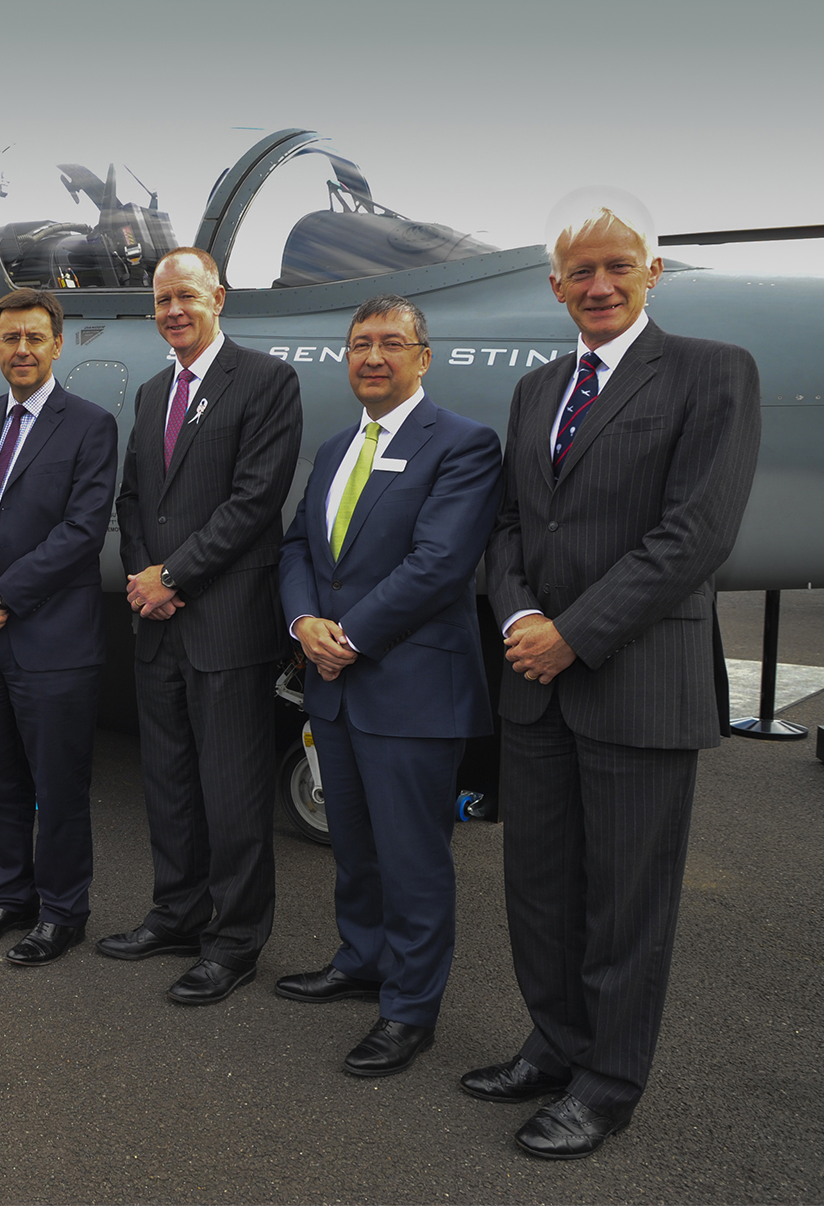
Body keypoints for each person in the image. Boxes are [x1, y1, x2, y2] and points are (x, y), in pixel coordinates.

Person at [468, 193, 761, 1159]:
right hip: (535, 679)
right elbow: (514, 524)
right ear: (556, 288)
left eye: (617, 269)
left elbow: (695, 535)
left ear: (651, 276)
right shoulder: (538, 387)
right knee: (541, 886)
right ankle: (554, 1044)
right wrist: (518, 617)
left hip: (634, 679)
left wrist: (572, 635)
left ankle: (606, 1083)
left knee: (628, 901)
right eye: (580, 274)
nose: (598, 286)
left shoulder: (712, 375)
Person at [273, 294, 502, 1076]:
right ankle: (361, 959)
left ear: (423, 357)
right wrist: (305, 624)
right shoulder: (336, 448)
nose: (374, 356)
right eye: (360, 343)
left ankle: (409, 1009)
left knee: (414, 859)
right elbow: (300, 547)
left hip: (408, 690)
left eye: (392, 344)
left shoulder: (465, 446)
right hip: (334, 684)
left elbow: (439, 564)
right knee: (358, 847)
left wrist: (351, 638)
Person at [103, 247, 303, 1004]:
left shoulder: (265, 382)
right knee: (170, 783)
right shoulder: (154, 391)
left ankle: (235, 941)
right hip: (160, 626)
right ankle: (177, 914)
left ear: (219, 298)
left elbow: (254, 503)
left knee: (234, 790)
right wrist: (147, 579)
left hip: (224, 624)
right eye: (162, 301)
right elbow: (133, 502)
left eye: (187, 296)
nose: (174, 311)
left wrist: (172, 577)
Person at [0, 287, 119, 966]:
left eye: (35, 338)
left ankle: (64, 912)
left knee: (58, 785)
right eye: (10, 338)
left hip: (51, 640)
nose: (22, 350)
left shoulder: (91, 425)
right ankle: (11, 897)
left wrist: (2, 597)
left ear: (57, 344)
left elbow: (81, 532)